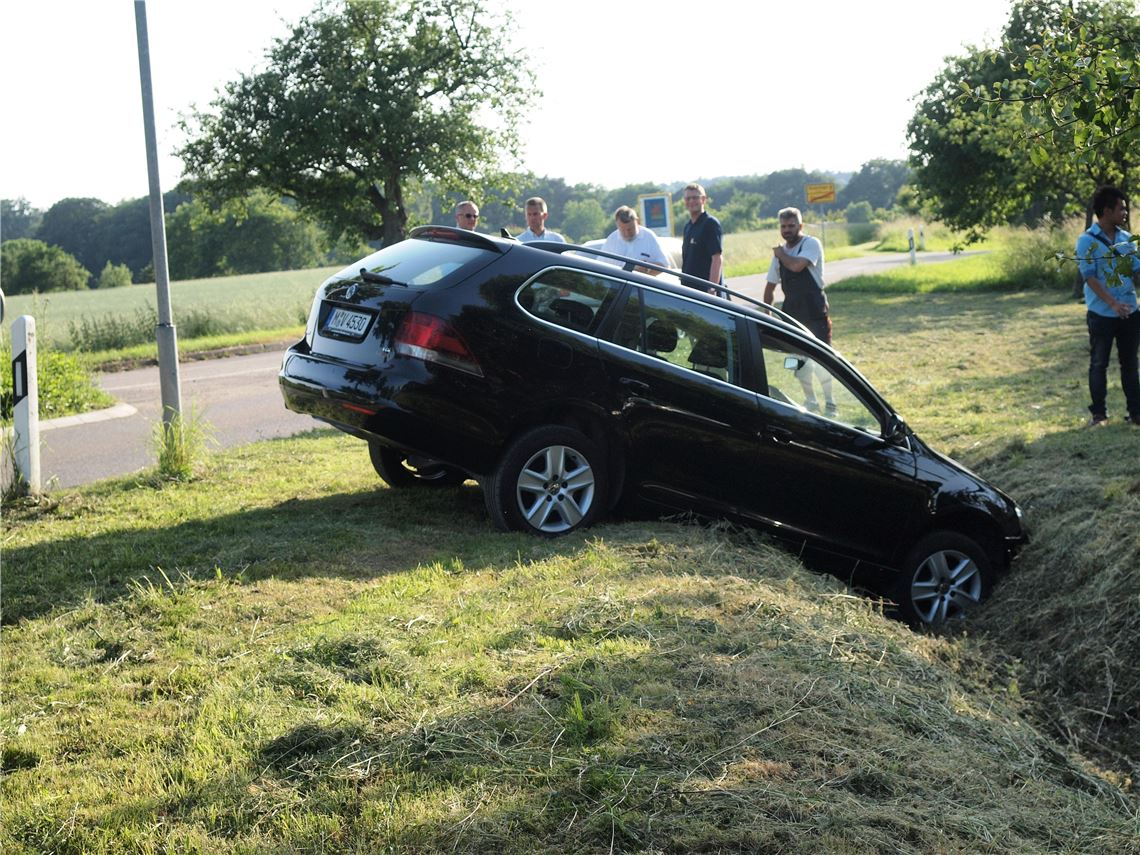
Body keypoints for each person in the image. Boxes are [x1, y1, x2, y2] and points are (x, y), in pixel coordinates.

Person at [1075, 185, 1139, 427]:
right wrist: (1112, 304)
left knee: (1131, 364)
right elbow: (1090, 278)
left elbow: (1136, 271)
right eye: (1120, 208)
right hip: (1102, 314)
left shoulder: (1126, 240)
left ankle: (1136, 412)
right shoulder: (1087, 241)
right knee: (1099, 363)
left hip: (1130, 312)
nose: (1124, 213)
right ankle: (1099, 414)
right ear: (1106, 210)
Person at [763, 206, 835, 416]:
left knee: (823, 358)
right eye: (783, 226)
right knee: (796, 360)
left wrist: (780, 253)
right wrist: (767, 315)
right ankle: (810, 401)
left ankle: (831, 403)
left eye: (791, 226)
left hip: (814, 310)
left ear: (800, 226)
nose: (787, 230)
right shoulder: (780, 254)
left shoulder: (811, 244)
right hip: (791, 313)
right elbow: (769, 286)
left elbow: (796, 267)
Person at [681, 183, 724, 294]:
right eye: (688, 198)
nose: (691, 201)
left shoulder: (710, 224)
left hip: (706, 292)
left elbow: (717, 258)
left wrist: (712, 289)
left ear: (703, 199)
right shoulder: (688, 226)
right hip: (689, 290)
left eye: (695, 198)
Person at [600, 206, 669, 273]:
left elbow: (664, 265)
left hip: (643, 283)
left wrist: (647, 269)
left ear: (637, 221)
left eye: (630, 229)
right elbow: (600, 268)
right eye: (622, 230)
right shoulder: (611, 240)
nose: (627, 233)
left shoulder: (648, 236)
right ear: (617, 225)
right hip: (618, 283)